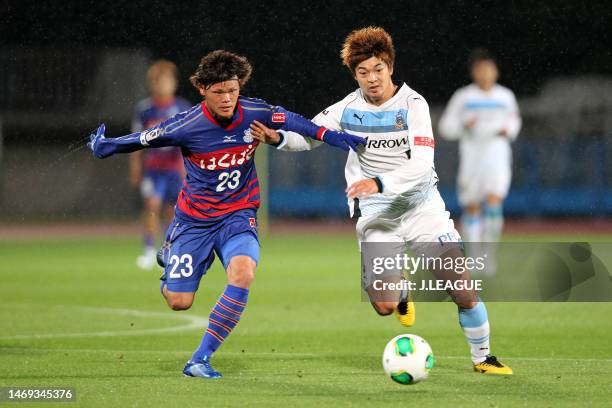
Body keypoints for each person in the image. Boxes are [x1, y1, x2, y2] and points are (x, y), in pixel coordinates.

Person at [88, 50, 366, 378]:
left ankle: (200, 359)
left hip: (238, 213)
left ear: (240, 86)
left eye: (232, 90)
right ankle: (169, 257)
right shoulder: (187, 123)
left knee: (244, 272)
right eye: (219, 91)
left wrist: (336, 138)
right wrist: (108, 146)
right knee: (179, 301)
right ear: (202, 89)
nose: (227, 98)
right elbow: (144, 139)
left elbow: (297, 123)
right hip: (194, 221)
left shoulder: (255, 111)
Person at [250, 27, 512, 375]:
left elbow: (421, 165)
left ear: (389, 66)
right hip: (377, 215)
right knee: (385, 306)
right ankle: (401, 290)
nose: (371, 79)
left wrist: (378, 181)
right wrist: (278, 138)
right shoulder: (346, 109)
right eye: (362, 72)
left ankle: (483, 358)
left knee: (460, 285)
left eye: (377, 69)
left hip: (422, 208)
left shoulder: (413, 105)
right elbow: (311, 137)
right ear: (354, 74)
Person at [438, 49, 521, 273]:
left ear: (495, 71)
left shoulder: (505, 97)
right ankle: (476, 258)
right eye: (480, 69)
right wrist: (464, 126)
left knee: (494, 203)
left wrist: (507, 130)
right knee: (472, 208)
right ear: (474, 72)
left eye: (488, 69)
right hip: (472, 159)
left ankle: (489, 256)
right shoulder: (464, 97)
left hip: (497, 158)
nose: (485, 73)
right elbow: (446, 126)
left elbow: (514, 123)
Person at [130, 60, 192, 270]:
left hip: (175, 169)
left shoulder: (182, 108)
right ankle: (148, 250)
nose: (162, 85)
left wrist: (190, 169)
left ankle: (168, 250)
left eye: (166, 80)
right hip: (154, 170)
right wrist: (136, 167)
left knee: (172, 211)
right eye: (158, 81)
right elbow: (136, 141)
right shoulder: (145, 110)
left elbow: (190, 141)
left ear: (174, 83)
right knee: (151, 206)